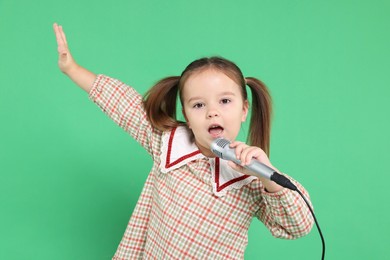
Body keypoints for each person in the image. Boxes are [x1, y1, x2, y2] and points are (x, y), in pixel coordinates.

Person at [53, 23, 314, 259]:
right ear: (187, 116)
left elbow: (298, 225)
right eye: (198, 104)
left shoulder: (251, 178)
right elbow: (123, 103)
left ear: (244, 109)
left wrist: (268, 177)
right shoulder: (167, 143)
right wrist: (71, 69)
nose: (213, 111)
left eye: (225, 101)